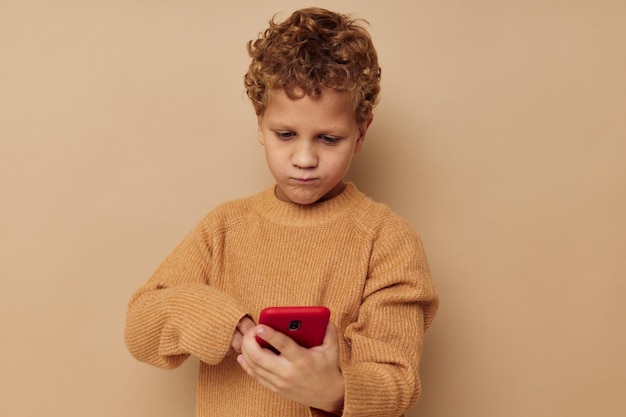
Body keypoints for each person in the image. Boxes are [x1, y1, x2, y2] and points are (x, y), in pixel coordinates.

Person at [124, 7, 438, 417]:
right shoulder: (224, 227)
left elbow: (397, 381)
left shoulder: (387, 239)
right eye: (285, 134)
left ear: (361, 133)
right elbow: (140, 330)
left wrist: (332, 391)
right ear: (260, 125)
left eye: (328, 138)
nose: (304, 158)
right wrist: (218, 319)